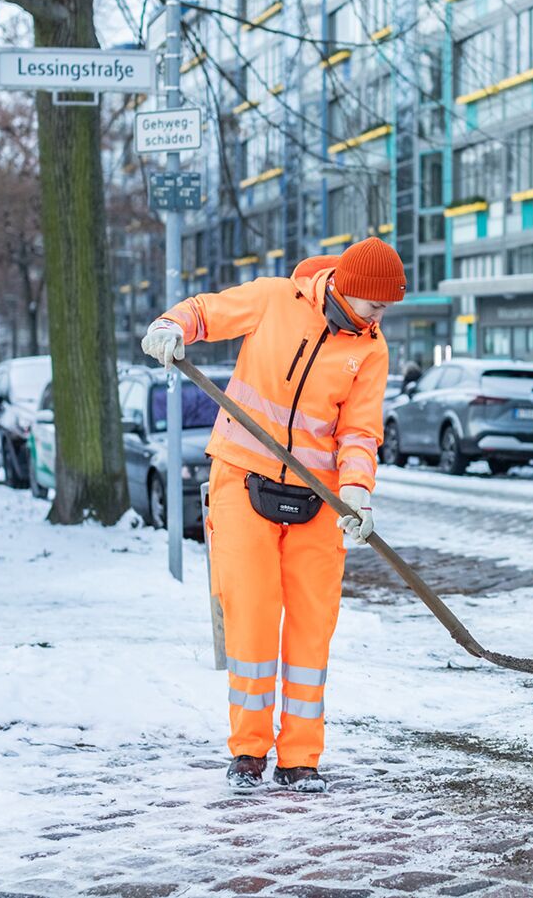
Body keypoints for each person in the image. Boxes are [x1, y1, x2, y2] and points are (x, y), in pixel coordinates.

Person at [141, 238, 405, 793]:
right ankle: (249, 750)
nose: (380, 318)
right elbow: (207, 312)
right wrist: (172, 327)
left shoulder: (371, 350)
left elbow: (359, 432)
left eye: (385, 310)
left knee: (312, 627)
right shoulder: (273, 299)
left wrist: (356, 492)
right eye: (374, 306)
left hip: (320, 497)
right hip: (242, 477)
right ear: (347, 289)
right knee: (253, 615)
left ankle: (301, 757)